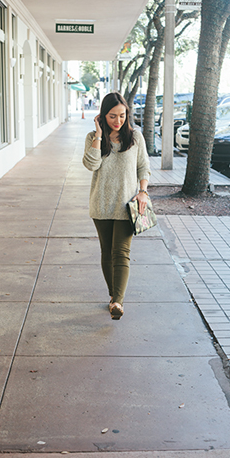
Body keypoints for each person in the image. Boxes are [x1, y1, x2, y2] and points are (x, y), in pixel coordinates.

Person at [82, 92, 150, 320]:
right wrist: (99, 135)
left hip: (127, 205)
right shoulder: (93, 137)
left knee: (121, 253)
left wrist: (143, 192)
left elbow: (143, 167)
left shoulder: (135, 137)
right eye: (112, 116)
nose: (118, 121)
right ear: (102, 115)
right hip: (101, 204)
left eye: (122, 115)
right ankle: (113, 297)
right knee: (107, 252)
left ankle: (118, 301)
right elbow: (91, 165)